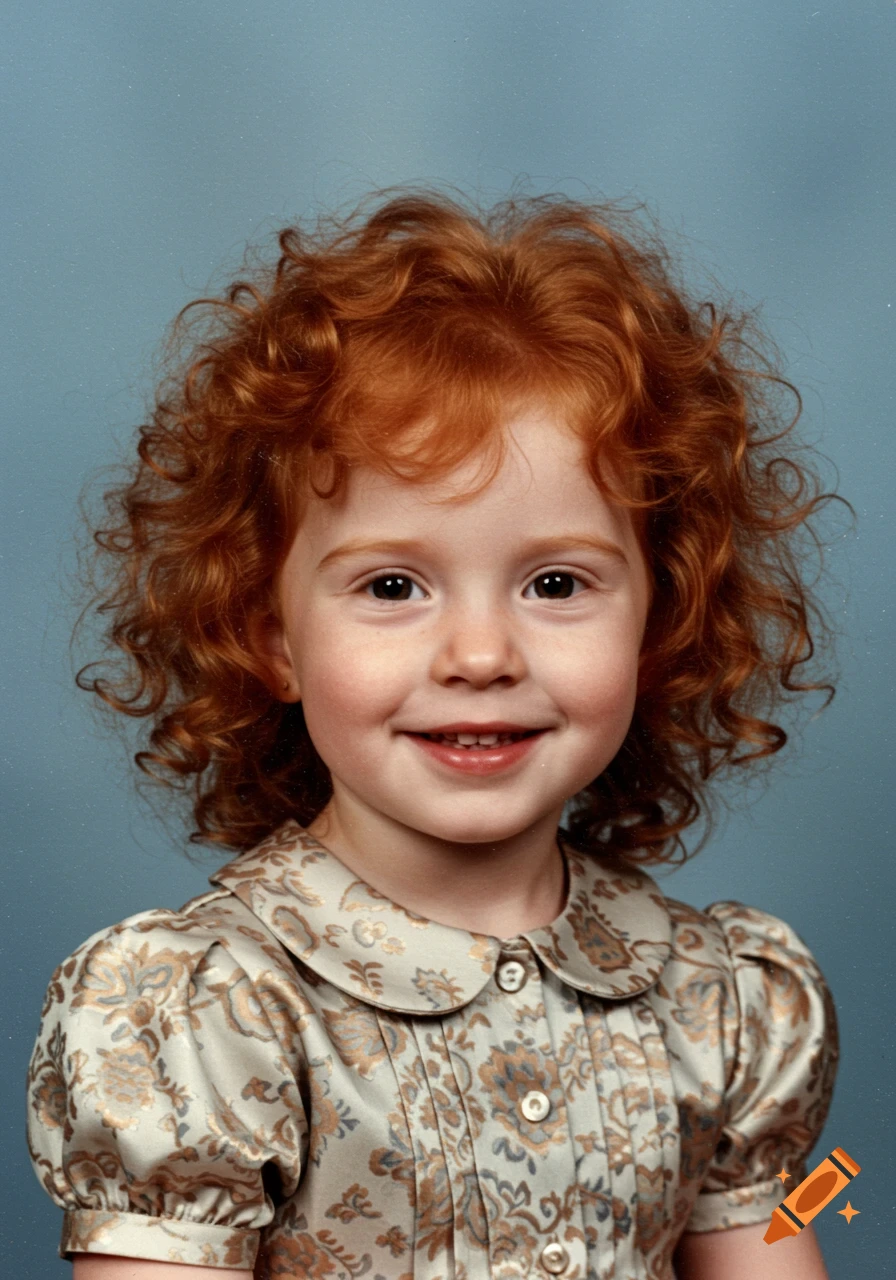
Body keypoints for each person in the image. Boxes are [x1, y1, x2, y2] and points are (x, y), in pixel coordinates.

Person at [26, 190, 842, 1280]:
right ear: (271, 638)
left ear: (660, 624)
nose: (480, 653)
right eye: (392, 585)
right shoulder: (210, 1016)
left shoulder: (718, 1003)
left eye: (556, 583)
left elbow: (775, 1250)